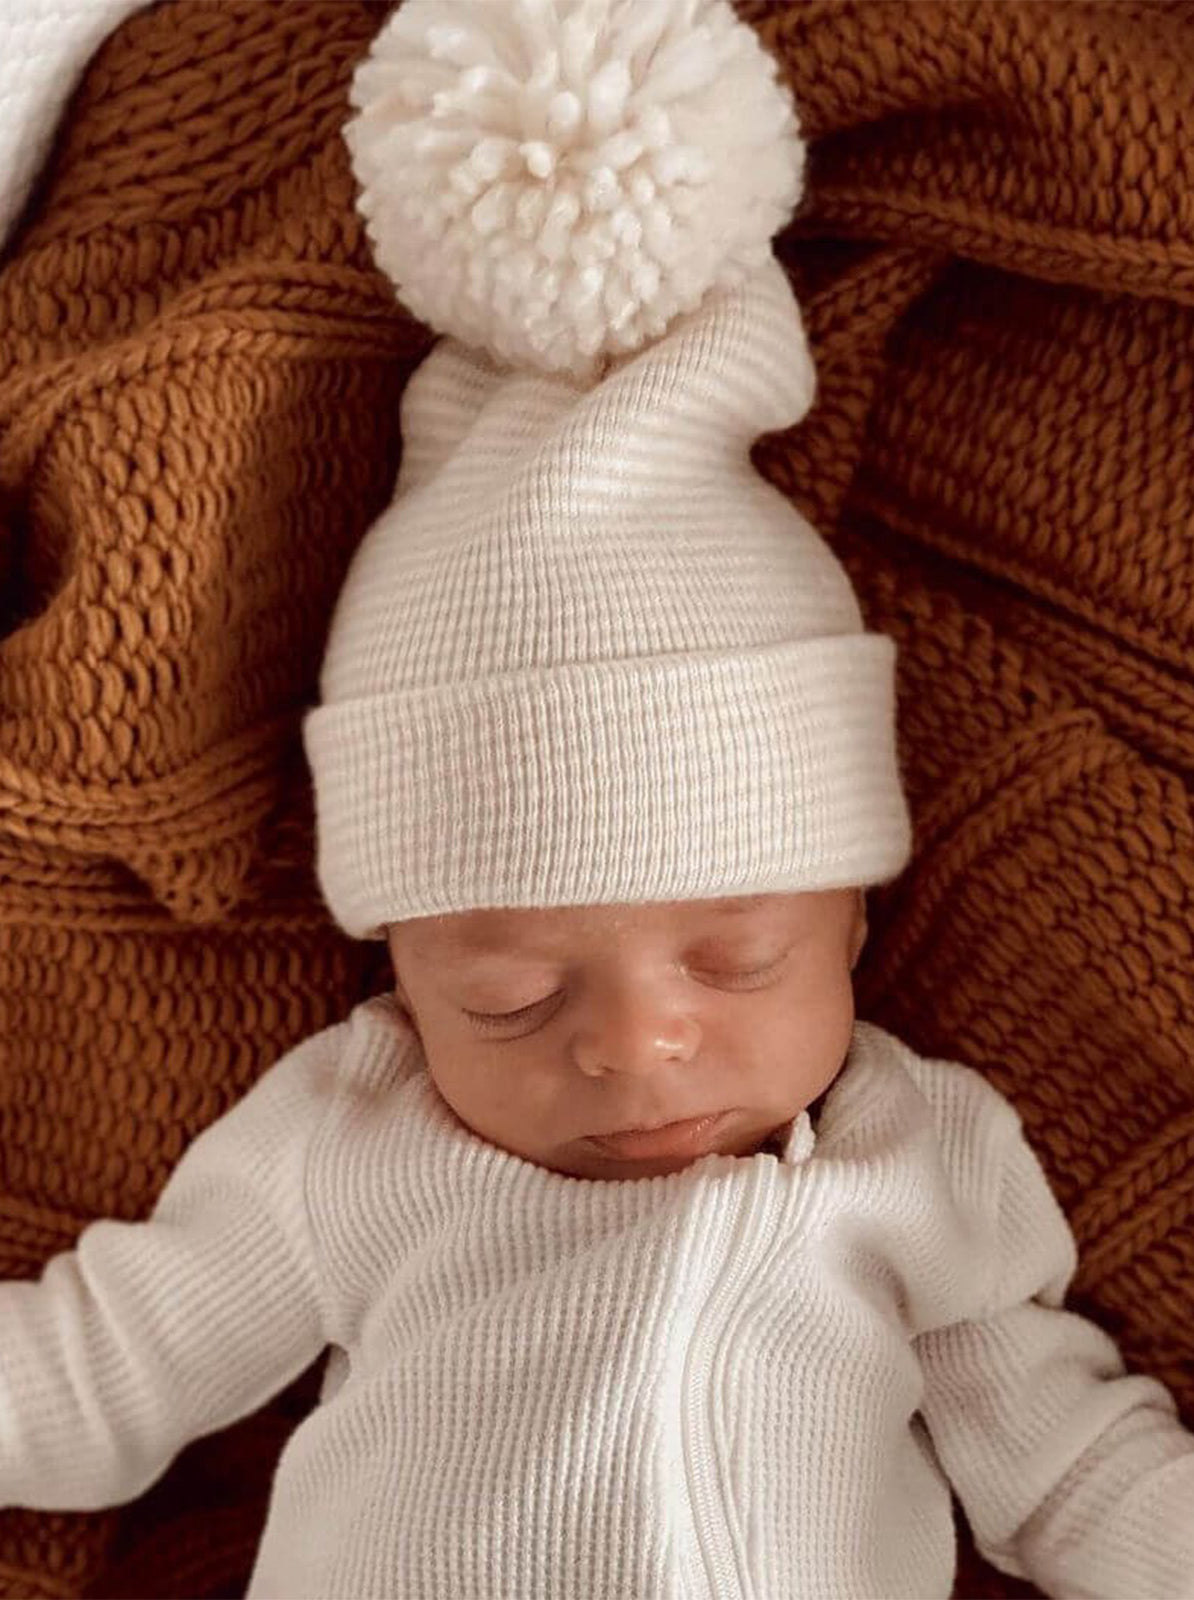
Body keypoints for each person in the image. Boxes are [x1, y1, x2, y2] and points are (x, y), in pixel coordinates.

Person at [2, 0, 1192, 1595]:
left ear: (853, 909)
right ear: (402, 971)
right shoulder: (349, 1146)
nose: (632, 1042)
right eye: (504, 993)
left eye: (738, 958)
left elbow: (1068, 1469)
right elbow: (91, 1382)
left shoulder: (921, 1161)